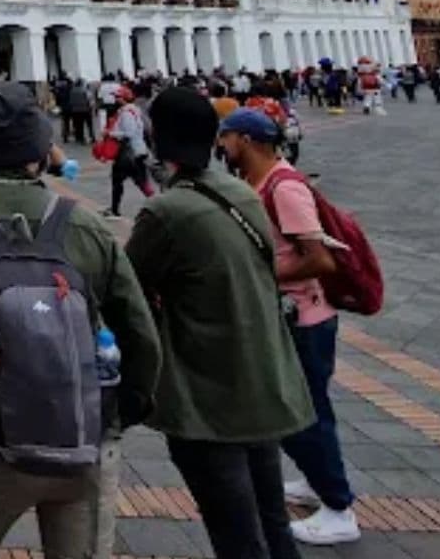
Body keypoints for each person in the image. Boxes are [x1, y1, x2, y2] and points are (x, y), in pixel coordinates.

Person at [0, 82, 160, 559]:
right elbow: (141, 333)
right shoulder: (83, 223)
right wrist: (116, 418)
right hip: (84, 439)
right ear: (42, 152)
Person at [125, 86, 315, 559]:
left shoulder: (167, 210)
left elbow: (125, 290)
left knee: (234, 530)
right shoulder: (239, 193)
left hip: (209, 392)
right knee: (272, 519)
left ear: (157, 137)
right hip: (261, 378)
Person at [217, 107, 360, 546]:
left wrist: (260, 277)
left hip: (305, 318)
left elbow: (319, 258)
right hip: (289, 315)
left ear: (245, 139)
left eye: (226, 138)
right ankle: (319, 481)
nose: (221, 147)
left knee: (303, 416)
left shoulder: (284, 185)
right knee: (308, 409)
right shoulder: (261, 182)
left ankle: (339, 508)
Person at [106, 86, 151, 218]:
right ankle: (114, 209)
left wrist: (111, 133)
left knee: (121, 181)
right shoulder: (135, 111)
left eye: (117, 97)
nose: (115, 99)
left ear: (124, 99)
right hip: (137, 150)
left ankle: (115, 210)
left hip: (128, 153)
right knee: (140, 181)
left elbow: (128, 133)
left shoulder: (126, 113)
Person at [65, 77, 95, 145]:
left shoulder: (72, 91)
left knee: (79, 126)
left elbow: (70, 101)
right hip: (86, 110)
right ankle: (92, 137)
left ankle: (80, 138)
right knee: (89, 125)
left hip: (75, 111)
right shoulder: (85, 90)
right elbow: (90, 100)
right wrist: (92, 108)